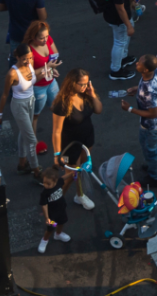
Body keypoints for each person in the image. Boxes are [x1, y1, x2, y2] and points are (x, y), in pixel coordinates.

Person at [49, 70, 103, 211]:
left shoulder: (86, 94)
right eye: (82, 84)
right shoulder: (62, 103)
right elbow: (56, 131)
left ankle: (79, 195)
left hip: (86, 140)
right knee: (70, 176)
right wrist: (57, 154)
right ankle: (56, 203)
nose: (85, 87)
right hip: (69, 145)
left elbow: (98, 110)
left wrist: (92, 94)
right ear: (72, 83)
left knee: (82, 169)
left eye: (87, 83)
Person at [122, 55, 157, 194]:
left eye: (139, 63)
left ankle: (156, 177)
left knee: (150, 150)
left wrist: (130, 109)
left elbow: (152, 113)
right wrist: (138, 89)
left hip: (151, 125)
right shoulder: (156, 72)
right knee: (153, 147)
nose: (136, 63)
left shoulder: (148, 90)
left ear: (146, 69)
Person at [0, 41, 42, 174]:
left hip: (31, 101)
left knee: (24, 133)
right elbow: (4, 95)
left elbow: (31, 82)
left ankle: (22, 163)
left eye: (30, 57)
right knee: (32, 140)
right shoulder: (12, 74)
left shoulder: (30, 64)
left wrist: (46, 72)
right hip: (19, 106)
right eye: (24, 59)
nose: (28, 61)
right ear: (18, 58)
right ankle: (36, 170)